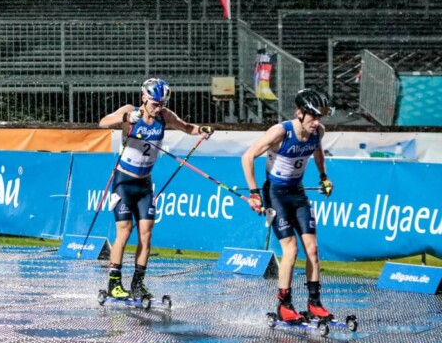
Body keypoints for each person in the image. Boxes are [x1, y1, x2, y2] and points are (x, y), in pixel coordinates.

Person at [98, 78, 214, 300]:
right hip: (124, 181)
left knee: (147, 234)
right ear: (144, 98)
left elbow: (187, 127)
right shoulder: (131, 112)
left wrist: (203, 130)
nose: (158, 107)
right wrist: (125, 118)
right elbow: (102, 122)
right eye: (154, 103)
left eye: (161, 103)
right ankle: (114, 283)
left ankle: (137, 284)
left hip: (144, 185)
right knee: (124, 230)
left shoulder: (164, 115)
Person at [240, 89, 335, 323]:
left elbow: (318, 152)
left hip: (298, 192)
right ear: (299, 113)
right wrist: (254, 193)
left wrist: (323, 177)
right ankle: (284, 304)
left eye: (320, 117)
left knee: (312, 249)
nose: (317, 122)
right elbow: (248, 156)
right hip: (275, 194)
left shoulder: (318, 131)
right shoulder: (281, 131)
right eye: (312, 116)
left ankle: (314, 303)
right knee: (291, 249)